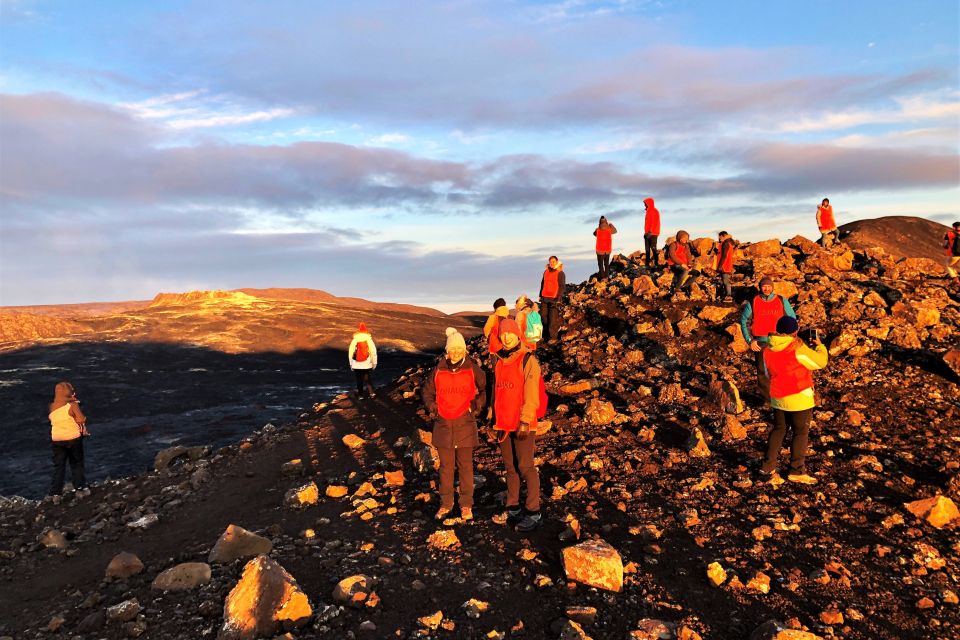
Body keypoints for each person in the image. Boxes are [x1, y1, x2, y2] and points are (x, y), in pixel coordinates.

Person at [422, 328, 486, 521]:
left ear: (464, 350)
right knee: (446, 468)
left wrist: (476, 406)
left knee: (466, 467)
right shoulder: (438, 369)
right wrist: (434, 409)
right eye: (452, 349)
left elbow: (484, 388)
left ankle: (466, 505)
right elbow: (426, 392)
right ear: (447, 351)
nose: (456, 352)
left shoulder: (472, 368)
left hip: (465, 423)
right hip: (443, 424)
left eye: (459, 349)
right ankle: (446, 504)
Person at [759, 316, 828, 485]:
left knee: (779, 429)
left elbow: (768, 374)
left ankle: (767, 467)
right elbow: (820, 362)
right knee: (800, 432)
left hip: (778, 396)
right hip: (799, 396)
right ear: (795, 331)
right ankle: (796, 470)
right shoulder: (797, 348)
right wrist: (820, 346)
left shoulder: (767, 349)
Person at [491, 318, 543, 532]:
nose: (506, 337)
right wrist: (491, 416)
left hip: (522, 423)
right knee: (510, 468)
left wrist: (525, 419)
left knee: (526, 467)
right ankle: (512, 507)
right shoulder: (498, 360)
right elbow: (498, 391)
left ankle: (533, 511)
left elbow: (532, 392)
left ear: (517, 334)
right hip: (503, 423)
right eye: (503, 334)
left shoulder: (528, 359)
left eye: (510, 333)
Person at [740, 277, 796, 399]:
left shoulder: (781, 300)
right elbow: (744, 321)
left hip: (780, 341)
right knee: (763, 372)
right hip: (761, 342)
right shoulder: (753, 302)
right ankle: (768, 400)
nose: (767, 289)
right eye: (764, 286)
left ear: (772, 287)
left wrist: (791, 337)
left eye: (769, 286)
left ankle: (784, 396)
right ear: (760, 287)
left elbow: (792, 318)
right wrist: (750, 341)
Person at [48, 381, 89, 497]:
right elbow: (81, 419)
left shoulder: (52, 406)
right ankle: (80, 488)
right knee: (76, 463)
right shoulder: (72, 405)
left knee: (59, 466)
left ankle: (55, 493)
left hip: (57, 440)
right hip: (73, 438)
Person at [482, 298, 510, 421]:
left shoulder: (493, 317)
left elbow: (486, 330)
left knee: (496, 378)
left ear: (495, 307)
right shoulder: (509, 317)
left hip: (495, 351)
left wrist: (490, 338)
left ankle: (492, 409)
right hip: (507, 351)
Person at [539, 256, 566, 343]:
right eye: (550, 261)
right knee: (543, 316)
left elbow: (562, 286)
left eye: (553, 261)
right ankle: (547, 334)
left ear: (557, 262)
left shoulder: (560, 273)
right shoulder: (546, 272)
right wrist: (540, 294)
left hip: (554, 298)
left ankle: (553, 337)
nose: (552, 263)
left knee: (552, 318)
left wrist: (559, 298)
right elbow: (542, 283)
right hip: (544, 297)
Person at [665, 230, 700, 297]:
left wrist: (689, 265)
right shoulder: (673, 245)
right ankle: (676, 288)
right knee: (685, 271)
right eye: (683, 238)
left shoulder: (686, 246)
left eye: (687, 238)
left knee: (697, 273)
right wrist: (682, 264)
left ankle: (684, 286)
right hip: (674, 264)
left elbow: (689, 256)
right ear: (679, 237)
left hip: (684, 265)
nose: (685, 240)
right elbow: (672, 256)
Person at [348, 322, 377, 399]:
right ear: (366, 331)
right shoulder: (369, 340)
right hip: (367, 364)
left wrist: (351, 364)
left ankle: (360, 396)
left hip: (356, 364)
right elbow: (373, 352)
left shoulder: (355, 340)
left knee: (359, 380)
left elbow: (351, 353)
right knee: (367, 379)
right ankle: (372, 394)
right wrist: (374, 363)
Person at [713, 231, 737, 303]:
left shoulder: (726, 243)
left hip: (724, 265)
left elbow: (724, 256)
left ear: (723, 236)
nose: (719, 239)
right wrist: (716, 251)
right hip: (727, 264)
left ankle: (729, 296)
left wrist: (720, 266)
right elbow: (725, 253)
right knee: (725, 280)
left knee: (725, 281)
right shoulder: (730, 242)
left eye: (720, 237)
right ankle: (727, 295)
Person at [593, 215, 618, 280]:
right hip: (607, 250)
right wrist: (611, 224)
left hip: (600, 251)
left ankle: (603, 277)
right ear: (606, 221)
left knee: (600, 265)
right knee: (606, 264)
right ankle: (606, 277)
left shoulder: (598, 230)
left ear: (600, 222)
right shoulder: (609, 229)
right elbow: (615, 231)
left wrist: (598, 227)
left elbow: (594, 234)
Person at [643, 197, 661, 269]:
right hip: (647, 233)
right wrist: (646, 232)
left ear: (649, 203)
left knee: (653, 248)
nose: (644, 205)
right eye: (644, 204)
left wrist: (650, 231)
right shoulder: (648, 211)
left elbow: (655, 222)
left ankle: (656, 263)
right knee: (647, 250)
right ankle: (647, 264)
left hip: (653, 233)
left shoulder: (654, 211)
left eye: (645, 204)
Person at [943, 221, 960, 288]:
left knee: (948, 265)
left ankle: (955, 278)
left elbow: (944, 245)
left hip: (953, 254)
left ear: (953, 227)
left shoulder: (949, 234)